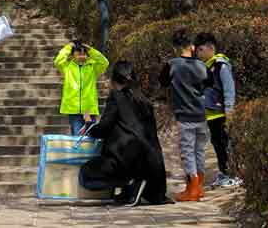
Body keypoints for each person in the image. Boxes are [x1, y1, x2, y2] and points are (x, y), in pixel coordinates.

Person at [78, 60, 170, 207]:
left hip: (126, 159)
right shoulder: (144, 100)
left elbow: (103, 129)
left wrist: (89, 124)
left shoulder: (117, 98)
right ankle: (131, 189)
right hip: (152, 164)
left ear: (113, 79)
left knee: (86, 173)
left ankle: (130, 182)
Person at [158, 29, 209, 203]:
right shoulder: (202, 66)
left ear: (175, 47)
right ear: (192, 47)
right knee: (199, 151)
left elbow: (163, 81)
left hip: (184, 115)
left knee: (187, 152)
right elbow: (209, 83)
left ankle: (192, 188)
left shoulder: (172, 64)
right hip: (201, 114)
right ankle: (199, 186)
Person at [194, 31, 241, 191]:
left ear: (210, 48)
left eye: (201, 50)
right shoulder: (205, 66)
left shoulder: (221, 65)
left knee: (224, 144)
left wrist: (229, 108)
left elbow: (229, 88)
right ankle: (224, 173)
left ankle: (231, 174)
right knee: (217, 144)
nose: (198, 53)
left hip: (220, 112)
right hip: (210, 114)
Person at [54, 40, 109, 135]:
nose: (81, 57)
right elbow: (58, 61)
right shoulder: (67, 67)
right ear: (72, 55)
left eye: (84, 54)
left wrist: (91, 50)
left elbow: (104, 62)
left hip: (89, 109)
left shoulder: (93, 68)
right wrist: (68, 48)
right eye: (78, 53)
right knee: (77, 137)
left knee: (91, 137)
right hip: (73, 110)